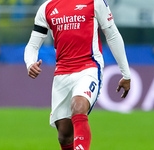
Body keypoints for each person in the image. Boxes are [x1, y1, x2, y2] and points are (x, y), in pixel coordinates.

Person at [24, 0, 131, 149]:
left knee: (79, 106)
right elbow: (32, 45)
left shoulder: (95, 2)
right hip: (62, 72)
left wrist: (126, 73)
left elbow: (112, 35)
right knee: (64, 135)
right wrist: (30, 63)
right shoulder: (46, 7)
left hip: (89, 67)